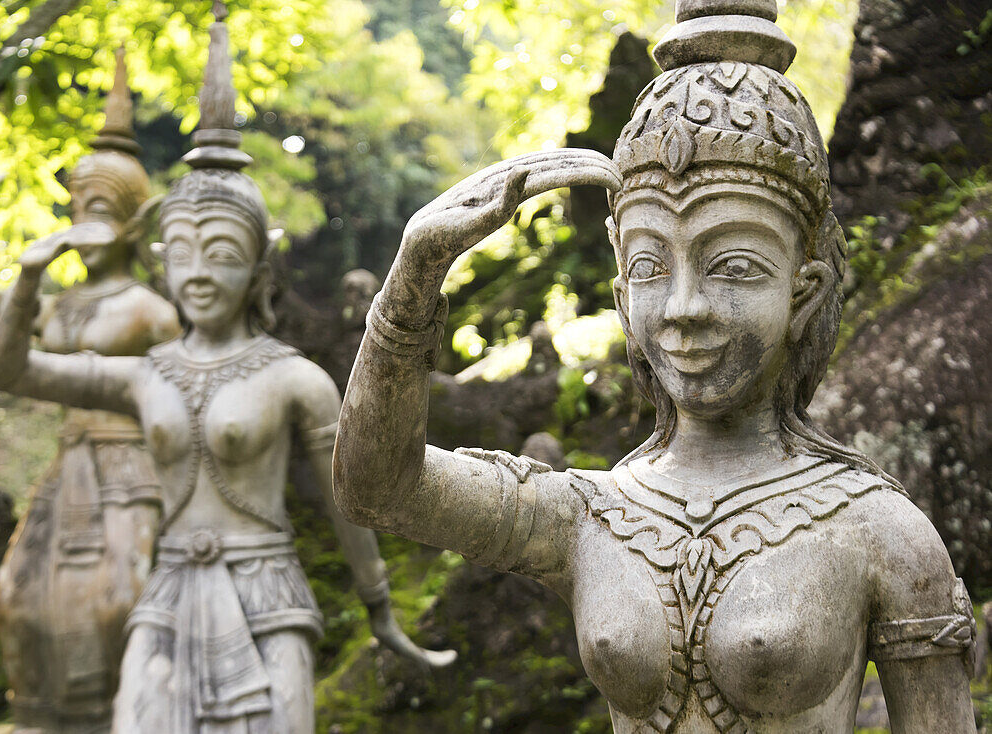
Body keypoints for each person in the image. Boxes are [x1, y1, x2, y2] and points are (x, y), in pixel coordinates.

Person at [332, 1, 977, 731]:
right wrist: (414, 277)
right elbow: (379, 488)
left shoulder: (878, 530)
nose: (682, 308)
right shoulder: (592, 514)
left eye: (734, 265)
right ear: (617, 293)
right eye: (649, 265)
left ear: (806, 292)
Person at [0, 6, 451, 732]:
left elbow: (347, 505)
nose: (199, 273)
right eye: (182, 253)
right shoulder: (142, 374)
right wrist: (26, 279)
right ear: (160, 258)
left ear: (260, 266)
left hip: (267, 596)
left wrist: (380, 609)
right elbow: (7, 373)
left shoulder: (293, 378)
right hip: (165, 597)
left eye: (223, 254)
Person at [0, 49, 179, 733]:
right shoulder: (55, 306)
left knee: (117, 600)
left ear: (134, 220)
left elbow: (185, 391)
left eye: (100, 207)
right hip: (66, 466)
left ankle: (123, 715)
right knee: (18, 595)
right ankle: (41, 717)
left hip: (131, 467)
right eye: (77, 204)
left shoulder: (150, 309)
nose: (85, 221)